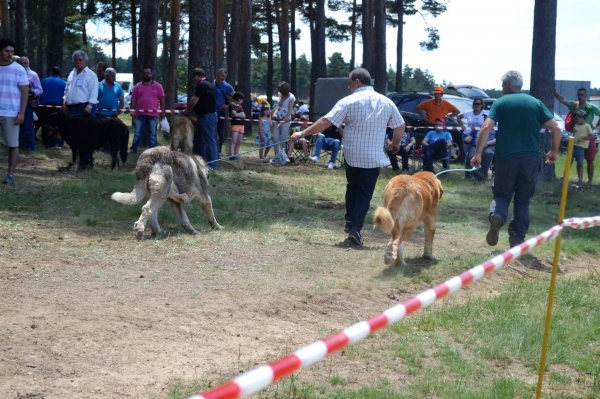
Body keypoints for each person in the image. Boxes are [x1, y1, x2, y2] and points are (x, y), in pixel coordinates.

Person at [290, 68, 405, 246]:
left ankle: (350, 221)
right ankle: (355, 229)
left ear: (357, 81)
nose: (348, 86)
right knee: (364, 193)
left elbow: (326, 121)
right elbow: (400, 125)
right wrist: (396, 143)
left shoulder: (348, 101)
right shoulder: (387, 102)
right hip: (373, 157)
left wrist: (303, 133)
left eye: (350, 83)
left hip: (352, 154)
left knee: (352, 186)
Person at [471, 70, 561, 248]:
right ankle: (517, 240)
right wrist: (554, 151)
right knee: (522, 201)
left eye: (502, 84)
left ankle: (497, 217)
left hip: (506, 159)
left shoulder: (501, 102)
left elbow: (485, 127)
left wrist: (478, 153)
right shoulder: (535, 103)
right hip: (531, 159)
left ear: (507, 85)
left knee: (502, 195)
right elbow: (556, 128)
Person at [554, 88, 600, 184]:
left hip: (589, 136)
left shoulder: (591, 107)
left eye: (582, 95)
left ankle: (590, 181)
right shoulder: (574, 105)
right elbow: (563, 100)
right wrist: (555, 92)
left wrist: (595, 125)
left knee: (590, 159)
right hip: (577, 137)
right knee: (572, 159)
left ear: (586, 95)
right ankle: (574, 178)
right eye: (579, 94)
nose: (580, 97)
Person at [62, 50, 98, 169]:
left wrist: (90, 106)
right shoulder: (71, 73)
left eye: (80, 60)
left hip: (85, 108)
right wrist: (64, 101)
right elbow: (66, 90)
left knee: (86, 136)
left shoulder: (91, 75)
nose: (78, 62)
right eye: (76, 60)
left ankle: (87, 161)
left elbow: (94, 92)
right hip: (71, 108)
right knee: (74, 137)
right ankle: (75, 161)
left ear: (86, 61)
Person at [0, 38, 29, 185]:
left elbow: (25, 92)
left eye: (11, 51)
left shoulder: (19, 69)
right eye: (6, 51)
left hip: (11, 112)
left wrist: (22, 112)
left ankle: (10, 175)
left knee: (12, 144)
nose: (9, 54)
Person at [184, 68, 218, 170]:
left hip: (207, 116)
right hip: (205, 116)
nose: (193, 80)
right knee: (200, 140)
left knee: (209, 140)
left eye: (193, 77)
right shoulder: (209, 84)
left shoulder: (202, 85)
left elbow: (194, 100)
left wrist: (188, 110)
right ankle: (199, 162)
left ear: (195, 76)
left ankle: (212, 165)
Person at [128, 68, 165, 154]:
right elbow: (134, 98)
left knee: (152, 134)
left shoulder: (158, 86)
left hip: (153, 114)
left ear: (151, 74)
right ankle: (133, 149)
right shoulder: (137, 86)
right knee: (137, 133)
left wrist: (162, 111)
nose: (147, 74)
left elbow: (162, 98)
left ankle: (153, 151)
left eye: (148, 73)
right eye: (145, 73)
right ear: (142, 74)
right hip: (139, 114)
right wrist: (132, 110)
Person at [16, 57, 42, 151]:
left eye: (25, 63)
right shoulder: (15, 73)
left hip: (27, 101)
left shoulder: (33, 75)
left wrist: (31, 90)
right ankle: (20, 145)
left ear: (28, 64)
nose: (23, 65)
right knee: (17, 124)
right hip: (15, 100)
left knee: (28, 124)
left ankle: (30, 146)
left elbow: (40, 90)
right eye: (21, 63)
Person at [458, 97, 488, 175]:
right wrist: (462, 126)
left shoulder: (485, 114)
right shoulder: (469, 113)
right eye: (475, 103)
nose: (476, 105)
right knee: (466, 155)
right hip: (466, 135)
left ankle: (475, 174)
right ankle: (467, 174)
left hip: (477, 137)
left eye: (478, 104)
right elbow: (458, 117)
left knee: (472, 155)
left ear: (482, 105)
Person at [39, 66, 67, 149]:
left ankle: (46, 142)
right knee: (57, 125)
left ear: (51, 72)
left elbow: (40, 93)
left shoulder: (44, 81)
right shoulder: (63, 83)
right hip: (57, 107)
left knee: (45, 124)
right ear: (59, 73)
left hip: (44, 106)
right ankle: (58, 143)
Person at [271, 81, 295, 156]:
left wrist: (283, 121)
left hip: (286, 120)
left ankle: (284, 154)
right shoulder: (279, 95)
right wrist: (274, 113)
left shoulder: (291, 97)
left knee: (283, 137)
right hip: (277, 119)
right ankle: (276, 155)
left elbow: (290, 111)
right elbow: (278, 107)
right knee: (275, 137)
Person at [570, 110, 594, 185]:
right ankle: (565, 175)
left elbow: (591, 137)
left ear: (582, 118)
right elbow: (574, 134)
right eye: (575, 119)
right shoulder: (576, 125)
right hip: (573, 146)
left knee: (580, 163)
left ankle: (580, 179)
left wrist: (582, 138)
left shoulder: (587, 126)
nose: (576, 120)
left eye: (577, 119)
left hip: (581, 147)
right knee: (569, 161)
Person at [214, 68, 234, 155]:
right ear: (217, 74)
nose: (223, 78)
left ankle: (219, 150)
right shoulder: (211, 84)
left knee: (220, 131)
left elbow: (237, 99)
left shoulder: (227, 86)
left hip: (220, 112)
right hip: (210, 111)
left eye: (225, 76)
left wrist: (228, 105)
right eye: (222, 75)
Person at [228, 91, 245, 160]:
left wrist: (239, 115)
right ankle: (231, 155)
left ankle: (236, 155)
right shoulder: (231, 105)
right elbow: (235, 114)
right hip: (235, 124)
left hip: (241, 125)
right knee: (234, 141)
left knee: (239, 141)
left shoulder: (240, 106)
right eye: (241, 99)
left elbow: (244, 115)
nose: (242, 101)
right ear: (238, 99)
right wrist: (239, 114)